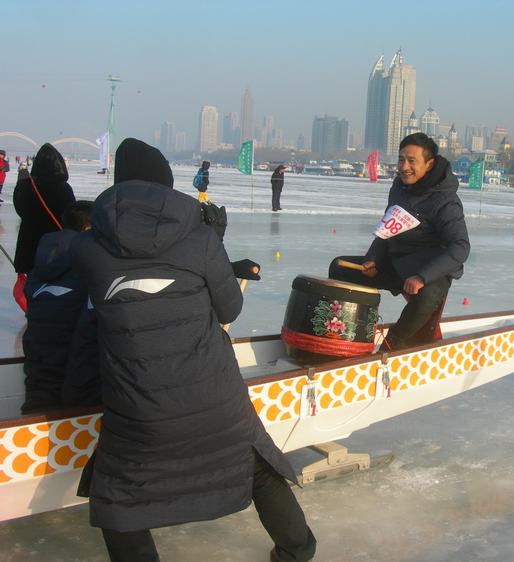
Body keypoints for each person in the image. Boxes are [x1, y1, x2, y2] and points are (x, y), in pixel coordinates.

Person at [71, 138, 315, 562]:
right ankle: (297, 551)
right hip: (214, 398)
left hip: (138, 407)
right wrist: (215, 242)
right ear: (166, 185)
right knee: (255, 465)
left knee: (117, 492)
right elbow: (229, 309)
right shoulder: (199, 238)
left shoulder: (89, 249)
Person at [328, 133, 470, 350]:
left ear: (429, 164)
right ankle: (347, 332)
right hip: (397, 262)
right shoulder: (399, 188)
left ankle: (393, 344)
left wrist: (422, 277)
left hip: (429, 270)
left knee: (427, 296)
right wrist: (373, 258)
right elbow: (388, 229)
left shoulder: (446, 201)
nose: (404, 167)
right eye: (401, 160)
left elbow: (460, 247)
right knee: (340, 268)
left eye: (412, 161)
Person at [21, 201, 94, 413]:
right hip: (73, 378)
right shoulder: (86, 265)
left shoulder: (42, 262)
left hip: (37, 370)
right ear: (87, 229)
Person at [13, 143, 76, 312]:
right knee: (55, 282)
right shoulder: (63, 188)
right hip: (55, 243)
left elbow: (19, 208)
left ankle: (34, 311)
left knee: (33, 282)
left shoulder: (25, 186)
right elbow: (70, 214)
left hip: (30, 242)